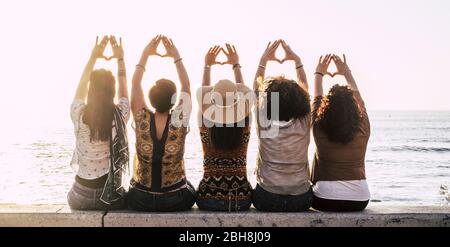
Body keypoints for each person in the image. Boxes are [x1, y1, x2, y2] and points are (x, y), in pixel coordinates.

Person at [128, 35, 195, 212]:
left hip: (140, 198)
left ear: (150, 98)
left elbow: (135, 83)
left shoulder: (141, 117)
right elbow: (186, 85)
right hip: (174, 199)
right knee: (190, 187)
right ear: (174, 100)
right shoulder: (179, 120)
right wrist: (176, 56)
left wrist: (145, 54)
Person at [68, 36, 130, 210]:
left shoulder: (78, 113)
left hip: (80, 196)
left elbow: (81, 84)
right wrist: (120, 58)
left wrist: (94, 57)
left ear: (90, 90)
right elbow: (124, 88)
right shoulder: (120, 115)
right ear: (112, 91)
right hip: (109, 197)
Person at [251, 40, 312, 212]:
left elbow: (256, 89)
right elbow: (306, 92)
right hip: (301, 198)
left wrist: (263, 61)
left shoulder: (264, 121)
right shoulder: (304, 121)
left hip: (267, 197)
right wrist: (296, 60)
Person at [196, 44, 254, 211]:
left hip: (208, 198)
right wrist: (236, 65)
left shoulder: (205, 123)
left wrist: (207, 66)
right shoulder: (245, 124)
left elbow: (203, 103)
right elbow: (244, 97)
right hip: (240, 198)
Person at [311, 54, 371, 212]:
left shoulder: (318, 127)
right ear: (354, 107)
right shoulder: (363, 128)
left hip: (324, 200)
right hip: (359, 199)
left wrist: (319, 73)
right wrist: (346, 72)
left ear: (326, 107)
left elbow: (317, 99)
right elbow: (360, 101)